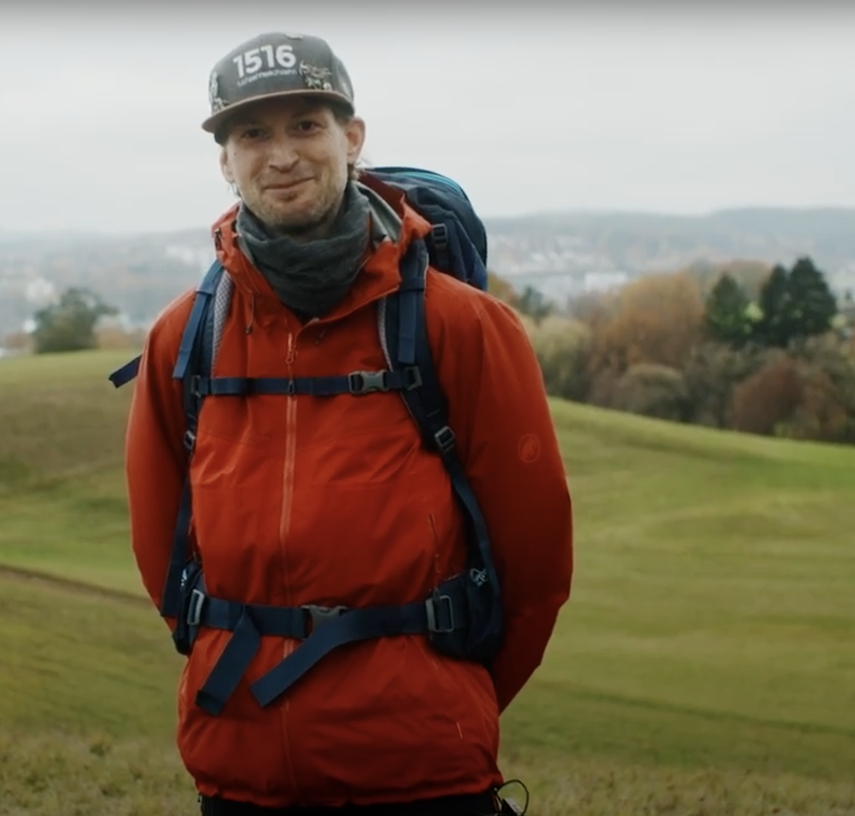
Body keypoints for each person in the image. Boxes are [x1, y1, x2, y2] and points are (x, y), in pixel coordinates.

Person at [122, 30, 574, 815]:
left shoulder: (461, 327)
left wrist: (437, 697)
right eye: (252, 133)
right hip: (240, 766)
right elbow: (163, 555)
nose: (281, 154)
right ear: (225, 161)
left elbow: (534, 566)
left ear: (352, 138)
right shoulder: (181, 338)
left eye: (306, 124)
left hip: (424, 771)